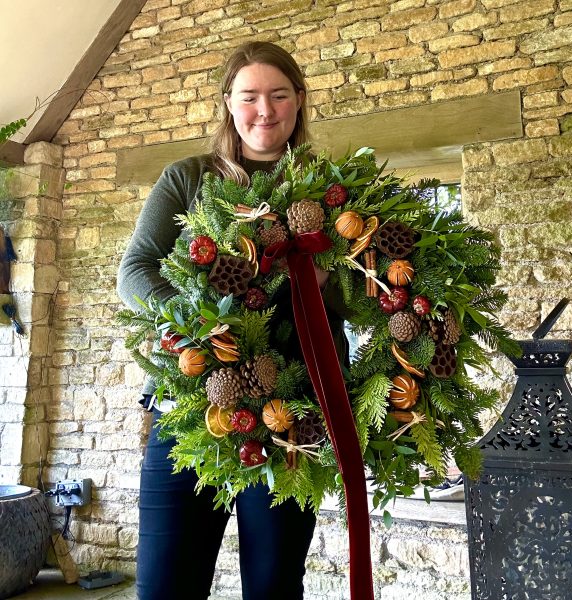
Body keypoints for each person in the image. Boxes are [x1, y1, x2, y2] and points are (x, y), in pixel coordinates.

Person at [117, 42, 346, 600]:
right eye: (249, 97)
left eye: (278, 95)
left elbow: (361, 292)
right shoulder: (187, 178)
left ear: (299, 103)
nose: (264, 111)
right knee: (165, 586)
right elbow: (134, 271)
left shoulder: (332, 191)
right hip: (190, 406)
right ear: (228, 103)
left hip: (289, 418)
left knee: (273, 586)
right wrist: (203, 323)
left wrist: (326, 284)